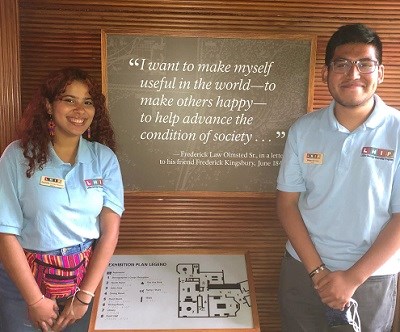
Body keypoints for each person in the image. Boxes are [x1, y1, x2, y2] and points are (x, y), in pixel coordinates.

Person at [277, 23, 400, 332]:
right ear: (326, 73)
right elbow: (287, 204)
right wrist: (318, 272)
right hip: (304, 271)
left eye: (365, 64)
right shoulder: (303, 130)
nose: (353, 74)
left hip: (371, 278)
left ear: (381, 73)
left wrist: (352, 278)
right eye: (342, 64)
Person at [0, 67, 124, 331]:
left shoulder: (104, 159)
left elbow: (109, 234)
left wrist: (83, 297)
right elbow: (5, 232)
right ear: (48, 105)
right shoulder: (16, 156)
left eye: (87, 102)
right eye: (69, 100)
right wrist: (34, 300)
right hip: (22, 285)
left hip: (80, 283)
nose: (80, 110)